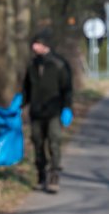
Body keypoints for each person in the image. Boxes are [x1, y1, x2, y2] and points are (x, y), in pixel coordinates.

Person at [21, 29, 73, 193]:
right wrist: (21, 104)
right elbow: (27, 88)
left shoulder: (59, 64)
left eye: (36, 44)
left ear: (44, 45)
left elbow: (67, 88)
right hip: (36, 112)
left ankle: (54, 176)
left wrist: (67, 108)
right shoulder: (32, 65)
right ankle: (41, 175)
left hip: (54, 112)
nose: (33, 47)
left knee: (54, 142)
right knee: (38, 144)